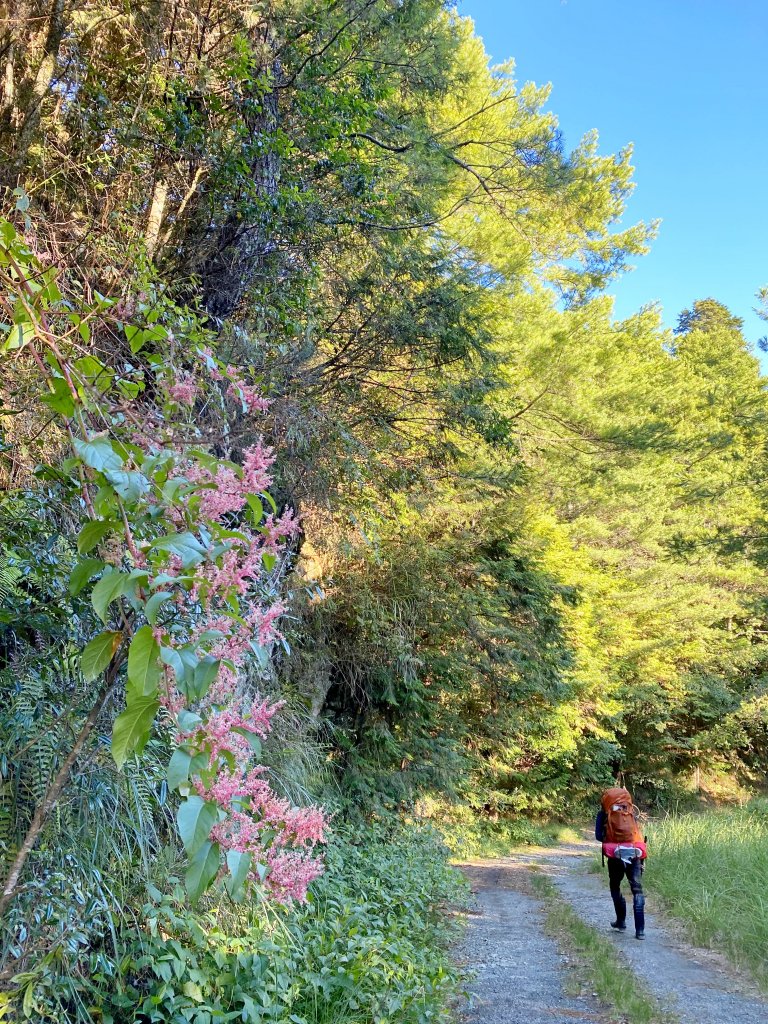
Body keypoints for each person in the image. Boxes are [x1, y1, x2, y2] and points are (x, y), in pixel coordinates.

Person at [595, 784, 647, 940]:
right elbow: (636, 832)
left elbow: (598, 836)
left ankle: (621, 921)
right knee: (637, 889)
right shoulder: (631, 811)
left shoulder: (603, 814)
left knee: (615, 886)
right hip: (634, 853)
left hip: (615, 854)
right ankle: (640, 931)